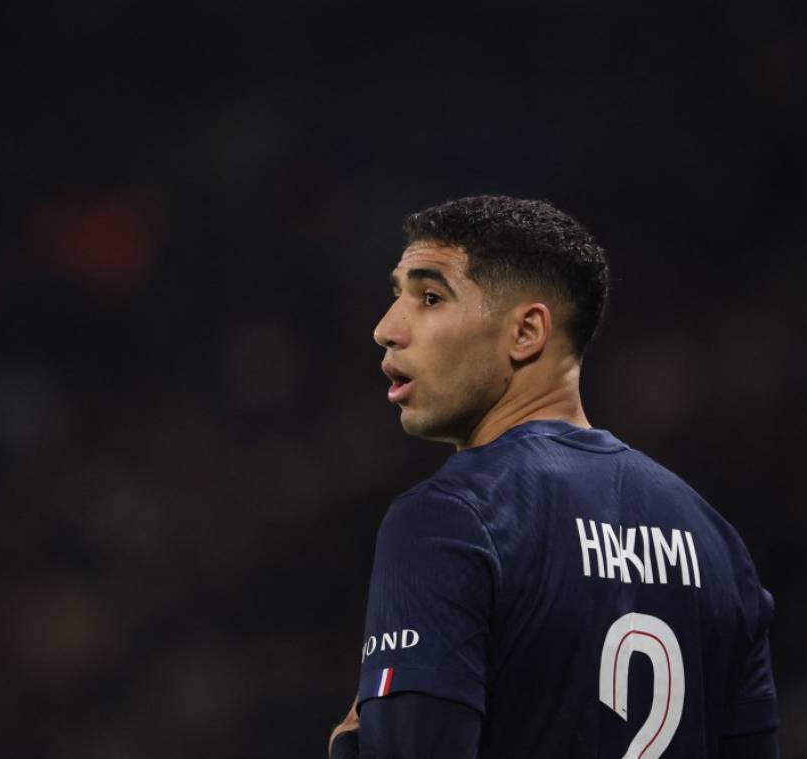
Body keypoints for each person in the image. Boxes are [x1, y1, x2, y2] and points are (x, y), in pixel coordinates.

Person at [329, 196, 779, 759]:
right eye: (396, 295)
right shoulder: (718, 547)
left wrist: (349, 745)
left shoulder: (450, 518)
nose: (386, 328)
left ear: (526, 332)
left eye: (430, 297)